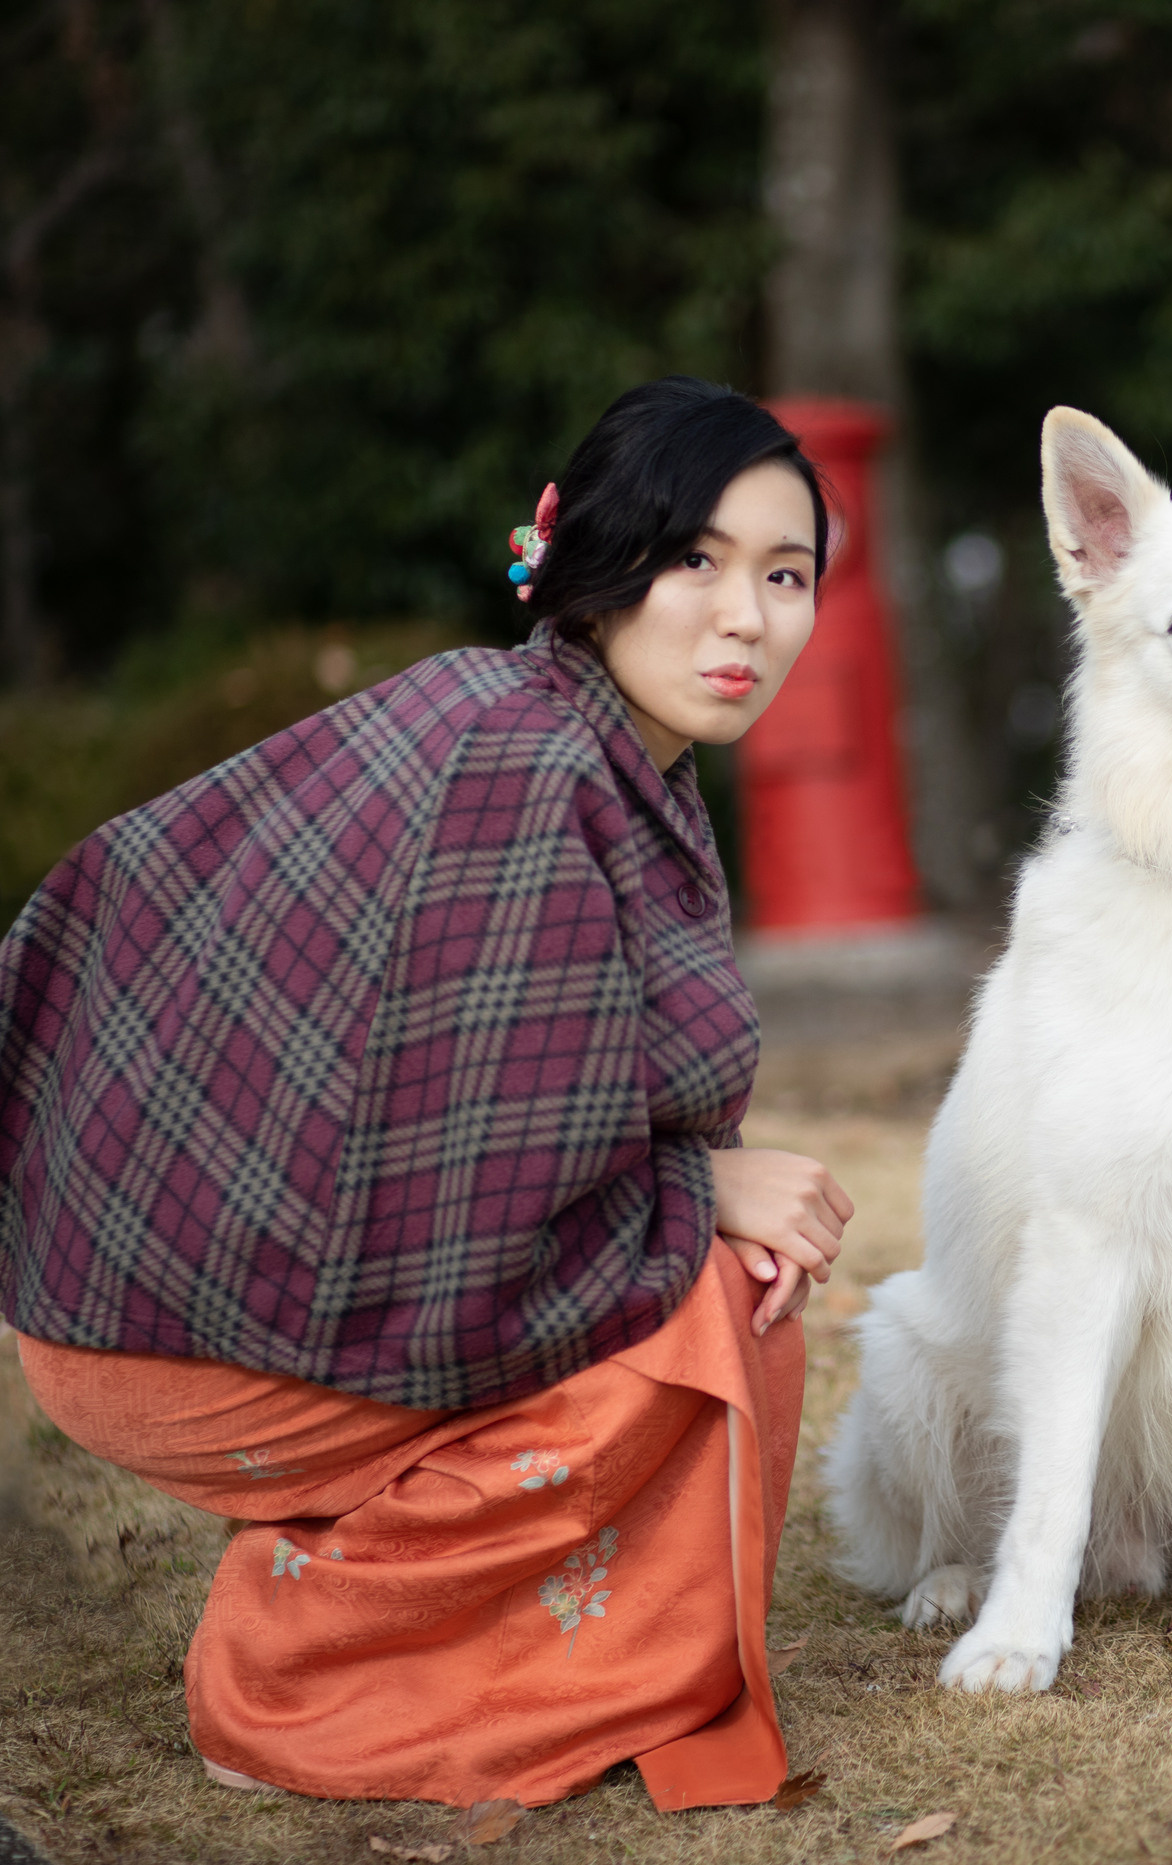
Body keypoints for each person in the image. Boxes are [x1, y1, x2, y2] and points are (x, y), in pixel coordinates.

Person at [0, 377, 853, 1812]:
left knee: (729, 1282)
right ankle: (299, 1680)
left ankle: (447, 1638)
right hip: (179, 1339)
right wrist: (703, 1185)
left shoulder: (587, 743)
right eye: (694, 558)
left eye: (786, 574)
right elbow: (475, 1203)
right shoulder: (520, 762)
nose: (746, 617)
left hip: (200, 1301)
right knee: (704, 1312)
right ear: (580, 554)